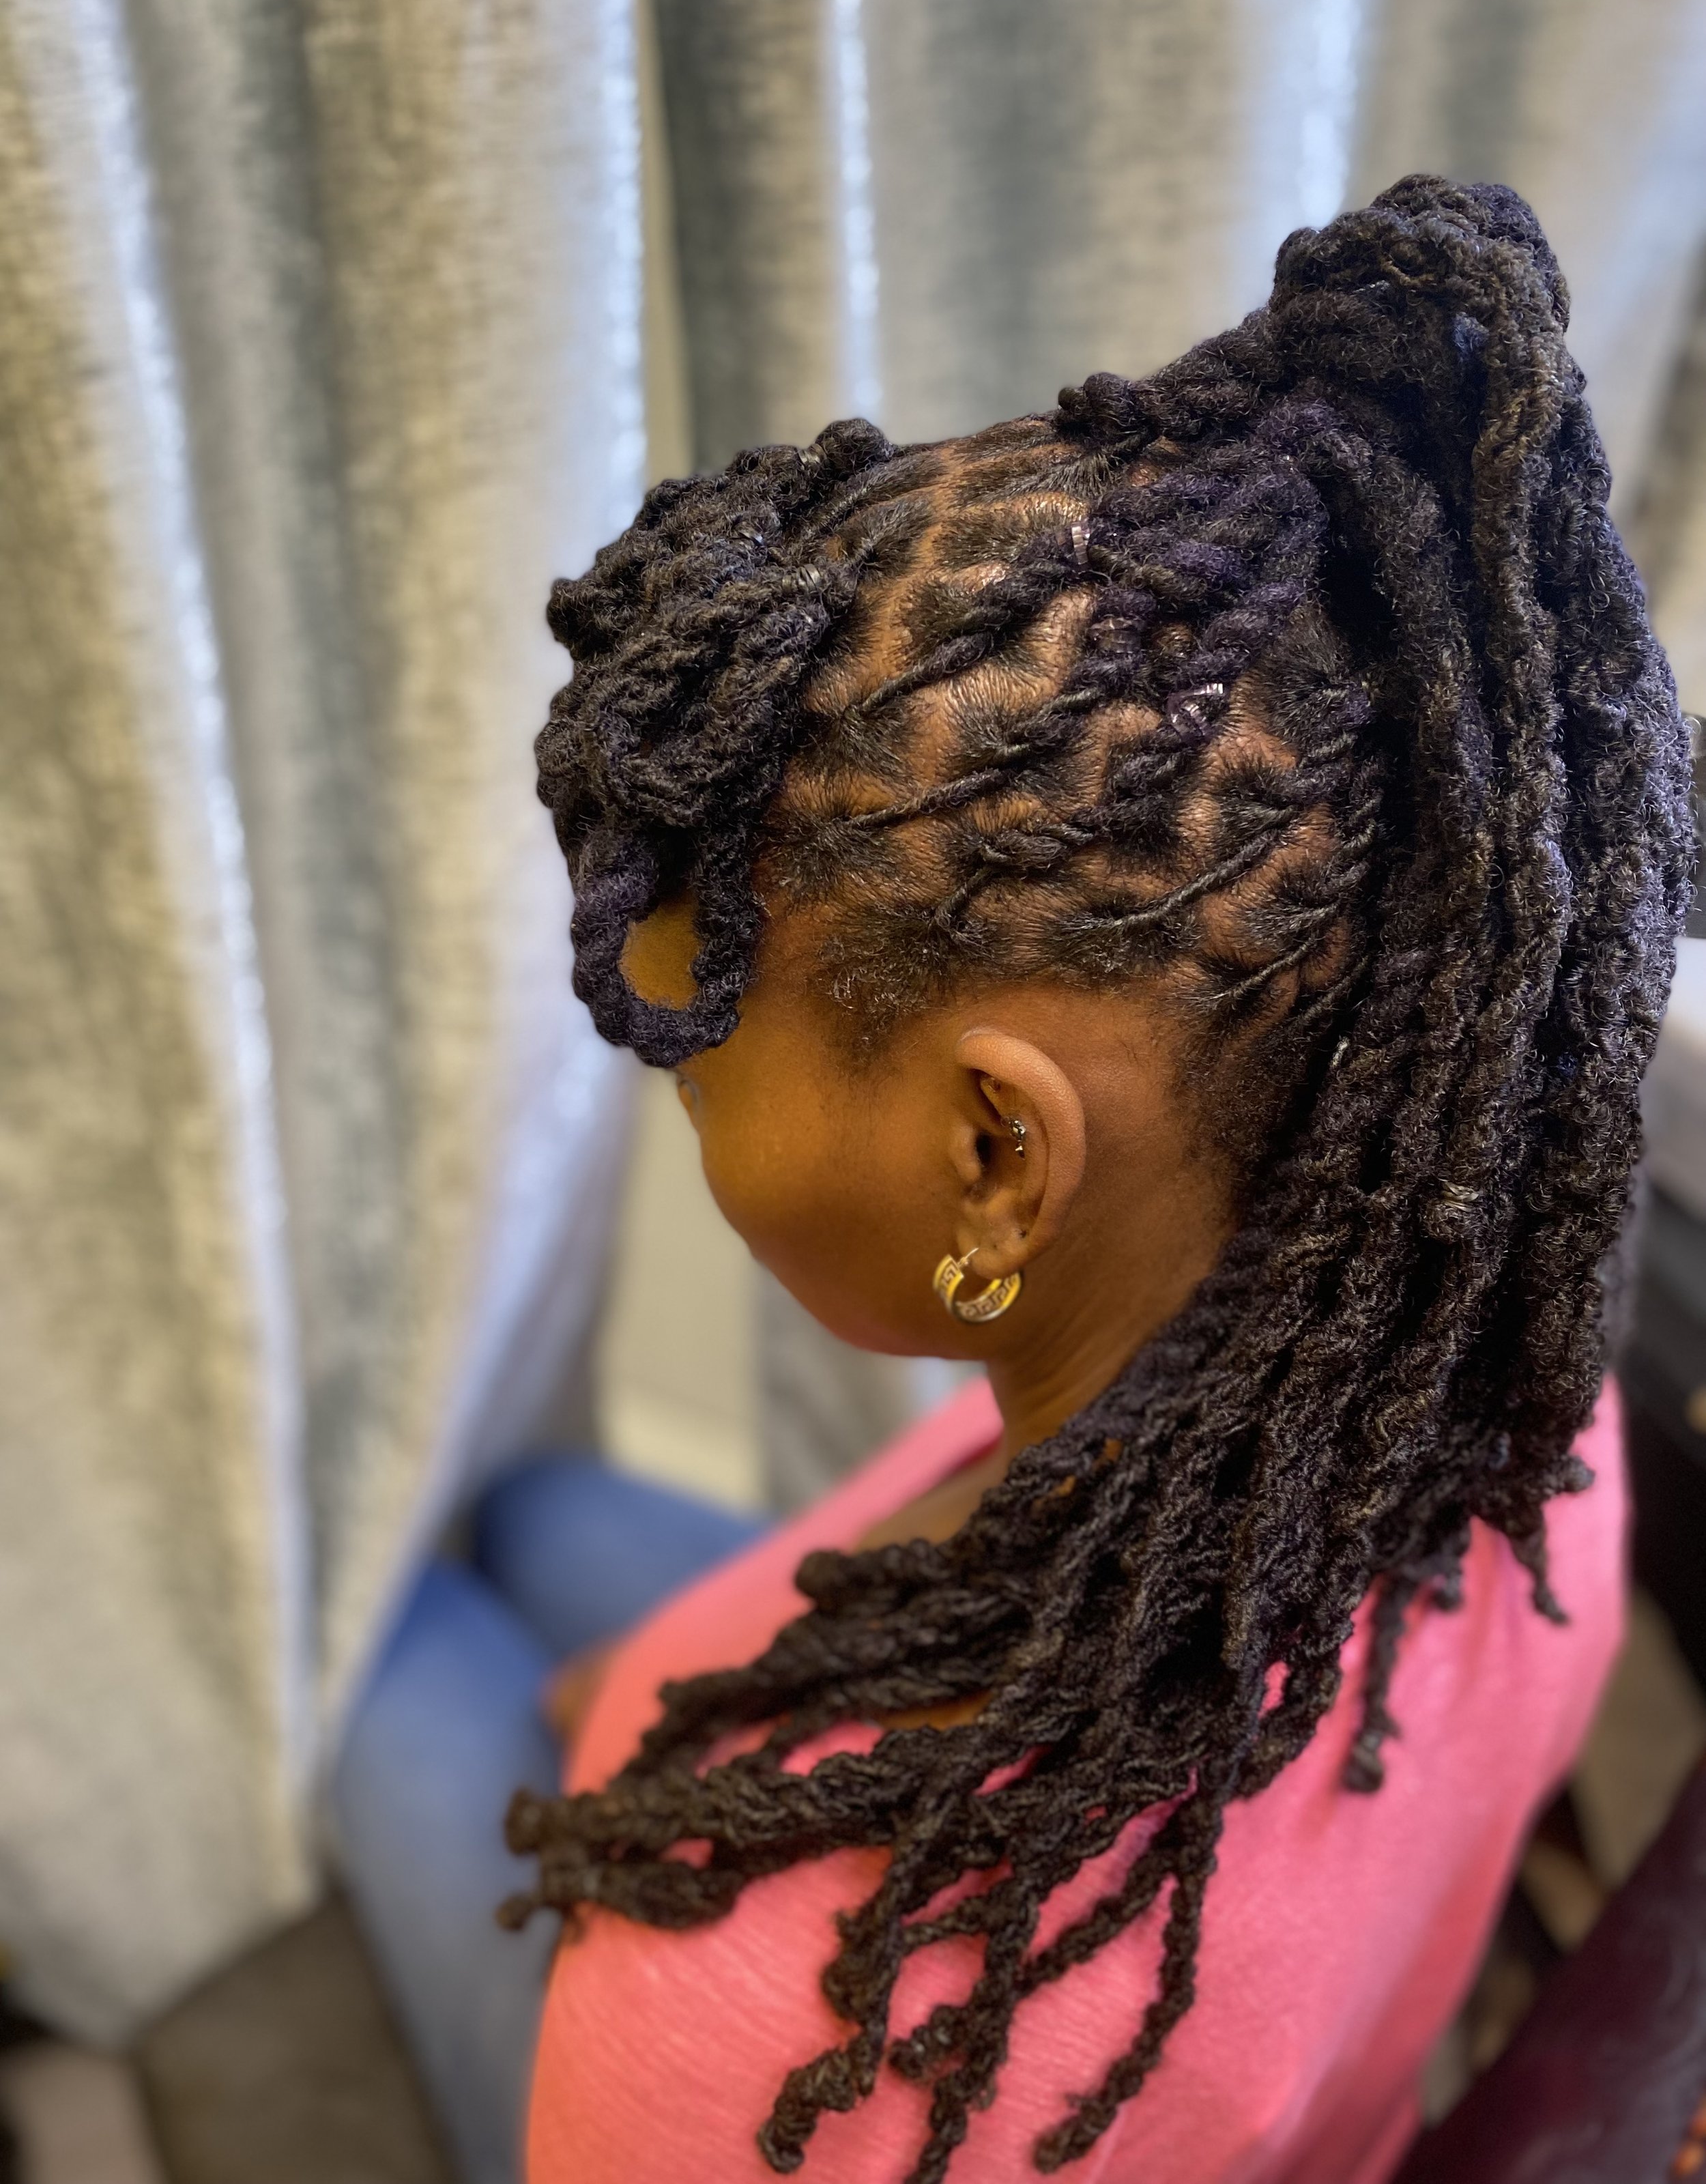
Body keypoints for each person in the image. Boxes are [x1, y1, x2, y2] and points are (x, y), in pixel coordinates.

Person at [352, 175, 1694, 2184]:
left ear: (996, 1158)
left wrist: (655, 1745)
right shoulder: (1518, 1419)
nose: (676, 1112)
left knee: (385, 1678)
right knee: (542, 1514)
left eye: (696, 1063)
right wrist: (668, 1695)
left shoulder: (747, 2037)